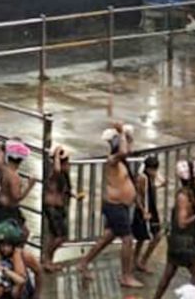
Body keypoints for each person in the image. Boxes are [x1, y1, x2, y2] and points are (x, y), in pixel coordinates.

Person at [76, 122, 140, 289]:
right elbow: (125, 151)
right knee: (127, 239)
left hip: (120, 206)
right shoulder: (112, 160)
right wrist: (121, 132)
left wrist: (127, 135)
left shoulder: (121, 161)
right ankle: (125, 276)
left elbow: (128, 150)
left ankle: (83, 262)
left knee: (107, 237)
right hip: (115, 206)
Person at [151, 160, 195, 299]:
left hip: (180, 239)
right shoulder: (183, 197)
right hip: (184, 241)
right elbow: (182, 222)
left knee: (169, 272)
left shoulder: (190, 193)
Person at [40, 146, 80, 272]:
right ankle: (46, 259)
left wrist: (74, 195)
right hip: (52, 208)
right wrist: (57, 155)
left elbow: (64, 191)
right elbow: (57, 170)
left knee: (54, 236)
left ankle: (49, 261)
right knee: (60, 237)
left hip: (58, 208)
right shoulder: (54, 173)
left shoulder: (63, 176)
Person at [133, 156, 163, 274]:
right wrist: (143, 211)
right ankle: (141, 261)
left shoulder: (151, 178)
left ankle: (137, 260)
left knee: (142, 237)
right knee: (156, 235)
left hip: (150, 209)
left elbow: (160, 184)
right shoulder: (142, 178)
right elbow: (138, 196)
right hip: (145, 210)